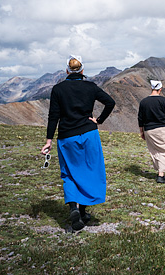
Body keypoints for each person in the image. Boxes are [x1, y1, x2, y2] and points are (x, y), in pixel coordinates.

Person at [40, 55, 115, 232]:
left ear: (67, 70)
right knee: (89, 171)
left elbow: (53, 116)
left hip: (67, 136)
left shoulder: (58, 89)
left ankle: (74, 208)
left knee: (69, 173)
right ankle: (83, 211)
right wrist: (99, 120)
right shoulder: (90, 87)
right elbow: (110, 102)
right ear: (82, 70)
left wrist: (48, 140)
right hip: (89, 134)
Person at [138, 80, 165, 183]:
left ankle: (161, 173)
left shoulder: (143, 102)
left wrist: (142, 132)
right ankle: (161, 175)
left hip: (149, 130)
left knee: (155, 151)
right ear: (160, 89)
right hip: (163, 129)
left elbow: (140, 118)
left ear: (151, 88)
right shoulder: (164, 101)